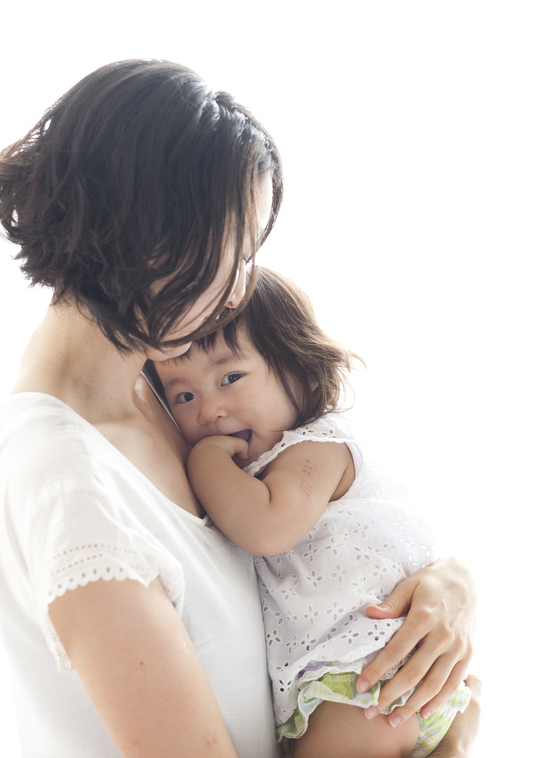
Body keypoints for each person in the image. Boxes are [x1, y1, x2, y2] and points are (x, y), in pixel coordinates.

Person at [0, 59, 480, 758]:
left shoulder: (166, 393)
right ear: (157, 239)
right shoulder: (70, 483)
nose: (241, 291)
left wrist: (445, 586)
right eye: (237, 254)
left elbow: (325, 538)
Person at [152, 268, 473, 758]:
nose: (209, 410)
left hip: (362, 680)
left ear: (302, 371)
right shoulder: (264, 469)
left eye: (231, 378)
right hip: (364, 682)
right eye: (184, 395)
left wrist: (206, 461)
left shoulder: (316, 447)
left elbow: (266, 528)